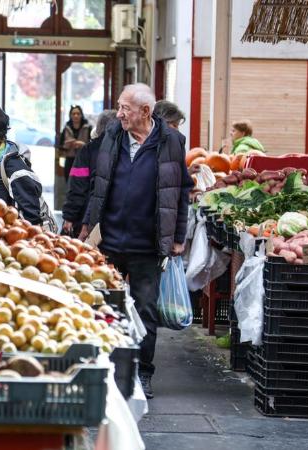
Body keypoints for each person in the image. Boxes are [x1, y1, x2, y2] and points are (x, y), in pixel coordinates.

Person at [85, 83, 194, 399]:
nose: (119, 114)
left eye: (125, 108)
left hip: (147, 243)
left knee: (146, 310)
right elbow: (98, 184)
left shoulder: (172, 141)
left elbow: (180, 191)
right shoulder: (112, 136)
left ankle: (142, 373)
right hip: (109, 239)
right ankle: (104, 370)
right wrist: (86, 227)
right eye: (119, 106)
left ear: (145, 111)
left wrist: (177, 237)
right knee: (105, 305)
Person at [61, 109, 117, 239]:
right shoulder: (123, 150)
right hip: (113, 223)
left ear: (99, 126)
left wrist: (69, 217)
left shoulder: (88, 150)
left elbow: (77, 186)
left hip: (85, 220)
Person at [58, 105, 92, 182]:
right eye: (73, 114)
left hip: (83, 160)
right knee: (69, 182)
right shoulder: (66, 128)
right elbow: (60, 146)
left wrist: (83, 144)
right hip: (69, 160)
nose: (76, 116)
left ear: (81, 115)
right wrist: (66, 145)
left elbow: (93, 145)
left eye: (78, 113)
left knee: (80, 182)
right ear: (70, 115)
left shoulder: (88, 128)